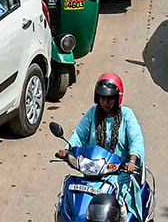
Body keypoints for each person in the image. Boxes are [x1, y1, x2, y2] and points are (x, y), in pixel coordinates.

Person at [57, 74, 146, 222]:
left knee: (123, 209)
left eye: (110, 98)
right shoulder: (93, 113)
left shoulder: (127, 115)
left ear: (118, 98)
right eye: (102, 97)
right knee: (70, 202)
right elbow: (79, 134)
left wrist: (131, 161)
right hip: (92, 171)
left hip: (119, 174)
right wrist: (67, 150)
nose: (105, 102)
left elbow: (136, 139)